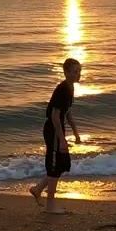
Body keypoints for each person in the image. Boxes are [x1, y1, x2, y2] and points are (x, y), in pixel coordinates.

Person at [29, 57, 83, 213]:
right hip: (53, 130)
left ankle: (38, 189)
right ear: (66, 72)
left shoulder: (70, 88)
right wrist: (61, 140)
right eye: (74, 71)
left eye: (79, 71)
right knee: (54, 166)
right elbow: (54, 115)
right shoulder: (62, 89)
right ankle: (50, 205)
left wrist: (76, 133)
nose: (78, 74)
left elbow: (67, 112)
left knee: (61, 164)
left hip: (59, 130)